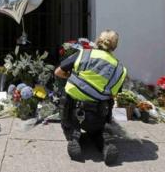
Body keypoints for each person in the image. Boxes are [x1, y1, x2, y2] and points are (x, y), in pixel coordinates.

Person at [54, 30, 127, 165]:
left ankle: (74, 135)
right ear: (114, 47)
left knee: (67, 106)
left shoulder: (83, 54)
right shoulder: (119, 68)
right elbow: (113, 95)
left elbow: (58, 72)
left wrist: (73, 78)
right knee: (97, 130)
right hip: (98, 115)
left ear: (98, 40)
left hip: (73, 112)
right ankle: (103, 143)